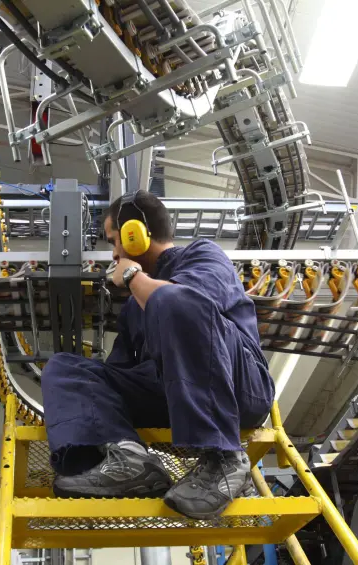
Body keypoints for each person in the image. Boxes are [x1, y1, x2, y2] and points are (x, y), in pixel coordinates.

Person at [41, 190, 275, 520]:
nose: (114, 254)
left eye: (114, 241)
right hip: (170, 396)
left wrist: (133, 276)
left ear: (134, 234)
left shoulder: (203, 255)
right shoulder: (135, 307)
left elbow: (188, 303)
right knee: (66, 367)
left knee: (172, 301)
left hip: (239, 389)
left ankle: (224, 457)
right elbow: (120, 377)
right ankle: (129, 461)